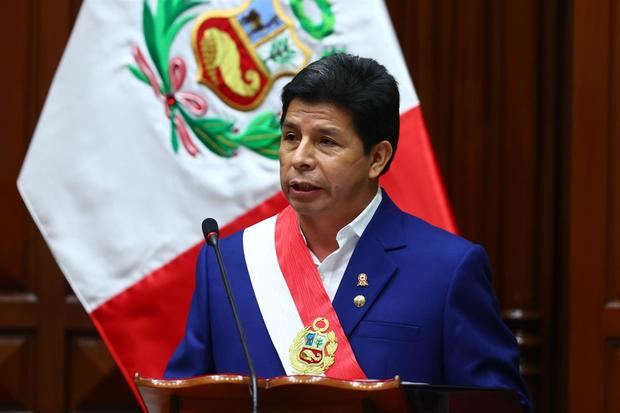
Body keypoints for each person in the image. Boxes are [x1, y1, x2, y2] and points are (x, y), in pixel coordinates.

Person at [164, 54, 531, 410]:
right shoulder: (228, 264)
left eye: (326, 141)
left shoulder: (448, 270)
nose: (300, 158)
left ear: (377, 158)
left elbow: (495, 405)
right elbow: (182, 400)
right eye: (291, 136)